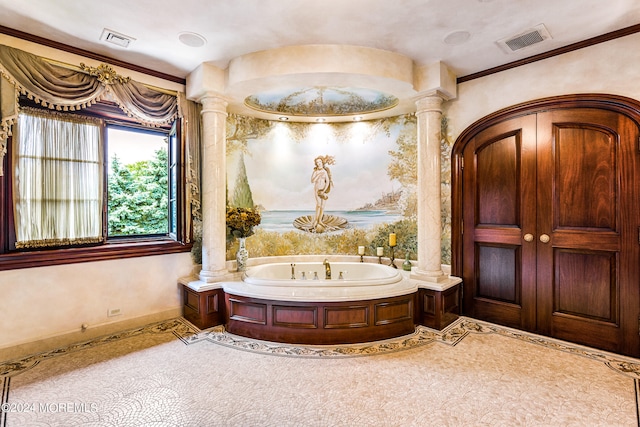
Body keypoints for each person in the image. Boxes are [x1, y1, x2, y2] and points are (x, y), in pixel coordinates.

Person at [310, 155, 334, 232]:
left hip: (323, 190)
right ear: (316, 164)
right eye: (317, 162)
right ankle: (315, 221)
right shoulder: (315, 172)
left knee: (323, 206)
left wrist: (324, 190)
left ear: (322, 162)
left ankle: (320, 220)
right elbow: (312, 181)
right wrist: (318, 175)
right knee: (319, 205)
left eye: (320, 162)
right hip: (317, 190)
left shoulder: (325, 171)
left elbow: (327, 182)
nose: (319, 163)